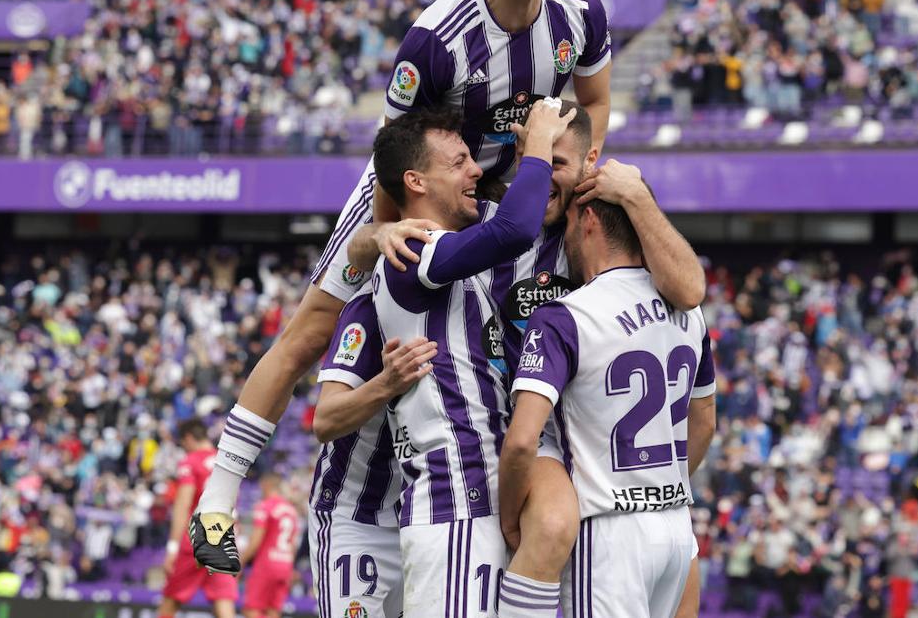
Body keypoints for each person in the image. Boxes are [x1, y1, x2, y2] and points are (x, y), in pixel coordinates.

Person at [191, 0, 615, 572]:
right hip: (419, 179)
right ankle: (217, 496)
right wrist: (385, 236)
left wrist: (584, 162)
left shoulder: (579, 13)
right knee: (311, 333)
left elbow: (595, 100)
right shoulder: (436, 41)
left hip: (507, 179)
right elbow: (398, 163)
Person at [370, 99, 573, 615]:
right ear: (416, 182)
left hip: (479, 504)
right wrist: (541, 144)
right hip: (452, 508)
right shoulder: (415, 248)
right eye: (458, 161)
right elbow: (514, 230)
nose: (475, 170)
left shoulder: (449, 254)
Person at [498, 191, 717, 618]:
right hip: (675, 528)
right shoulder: (691, 313)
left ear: (590, 220)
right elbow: (705, 423)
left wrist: (510, 517)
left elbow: (523, 441)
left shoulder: (565, 315)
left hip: (610, 534)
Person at [307, 289, 437, 618]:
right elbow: (325, 420)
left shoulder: (473, 303)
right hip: (354, 516)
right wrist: (387, 383)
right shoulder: (369, 310)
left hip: (425, 519)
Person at [162, 419, 237, 618]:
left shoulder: (190, 461)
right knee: (224, 604)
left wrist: (172, 547)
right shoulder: (226, 461)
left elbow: (183, 504)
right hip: (221, 536)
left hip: (196, 536)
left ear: (188, 438)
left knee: (171, 601)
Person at [241, 474, 302, 618]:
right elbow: (293, 545)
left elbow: (256, 541)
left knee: (251, 609)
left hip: (266, 564)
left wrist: (241, 562)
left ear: (266, 486)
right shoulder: (291, 511)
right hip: (285, 565)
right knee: (273, 611)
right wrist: (290, 567)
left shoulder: (265, 506)